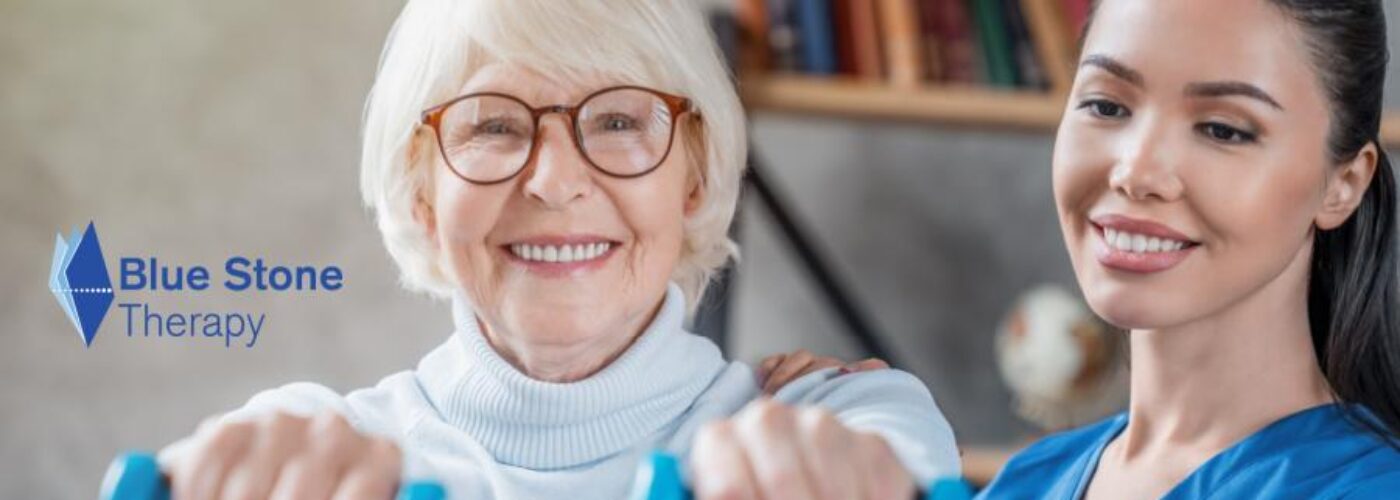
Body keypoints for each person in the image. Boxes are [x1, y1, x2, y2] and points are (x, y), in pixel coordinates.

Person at [154, 1, 960, 499]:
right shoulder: (311, 445)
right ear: (424, 192)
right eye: (494, 125)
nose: (553, 180)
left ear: (692, 175)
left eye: (617, 121)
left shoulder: (848, 421)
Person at [975, 0, 1400, 497]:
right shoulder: (1026, 481)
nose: (1136, 173)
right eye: (1106, 106)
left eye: (1223, 129)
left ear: (1343, 184)